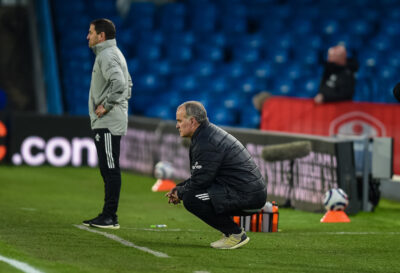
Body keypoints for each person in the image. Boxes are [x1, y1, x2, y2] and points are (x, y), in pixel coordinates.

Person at [166, 101, 267, 249]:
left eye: (180, 121)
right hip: (242, 191)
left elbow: (201, 181)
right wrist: (179, 188)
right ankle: (230, 233)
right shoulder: (205, 135)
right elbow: (201, 176)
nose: (177, 125)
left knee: (191, 198)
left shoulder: (207, 141)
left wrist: (180, 192)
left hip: (247, 195)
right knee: (190, 193)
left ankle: (235, 234)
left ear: (192, 121)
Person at [82, 18, 132, 229]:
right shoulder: (111, 54)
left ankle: (110, 216)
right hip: (107, 121)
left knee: (110, 168)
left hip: (109, 122)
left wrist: (108, 105)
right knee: (107, 167)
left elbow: (121, 84)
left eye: (91, 32)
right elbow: (128, 84)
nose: (88, 36)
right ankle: (108, 214)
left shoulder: (107, 55)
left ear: (101, 36)